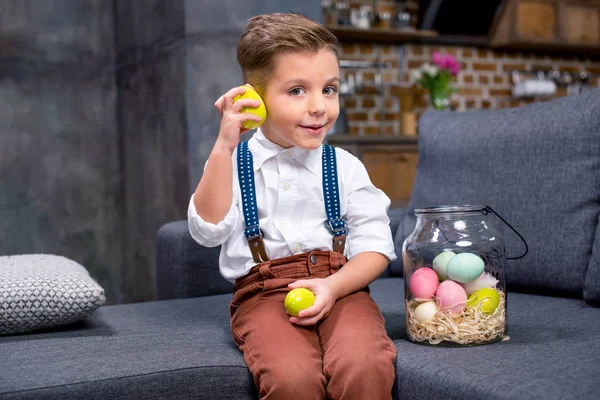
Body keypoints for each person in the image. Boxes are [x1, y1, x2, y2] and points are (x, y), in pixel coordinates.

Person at [188, 12, 397, 400]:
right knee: (291, 378)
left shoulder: (346, 167)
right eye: (297, 90)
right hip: (263, 295)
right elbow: (206, 230)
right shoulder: (232, 163)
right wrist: (223, 147)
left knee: (365, 364)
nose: (319, 106)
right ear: (255, 96)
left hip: (342, 286)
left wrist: (334, 287)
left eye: (329, 89)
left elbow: (376, 247)